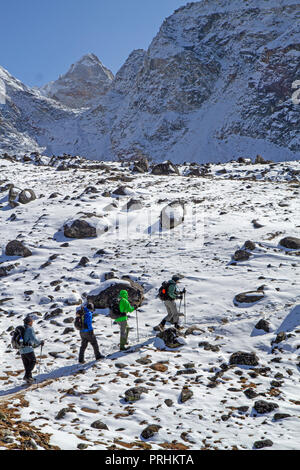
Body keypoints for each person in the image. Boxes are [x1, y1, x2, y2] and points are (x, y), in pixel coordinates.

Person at [20, 314, 44, 384]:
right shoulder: (29, 328)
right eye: (31, 321)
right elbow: (33, 339)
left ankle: (29, 378)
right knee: (33, 361)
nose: (32, 322)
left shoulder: (22, 329)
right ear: (29, 322)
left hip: (21, 350)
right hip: (28, 349)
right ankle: (27, 376)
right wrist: (40, 343)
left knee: (27, 364)